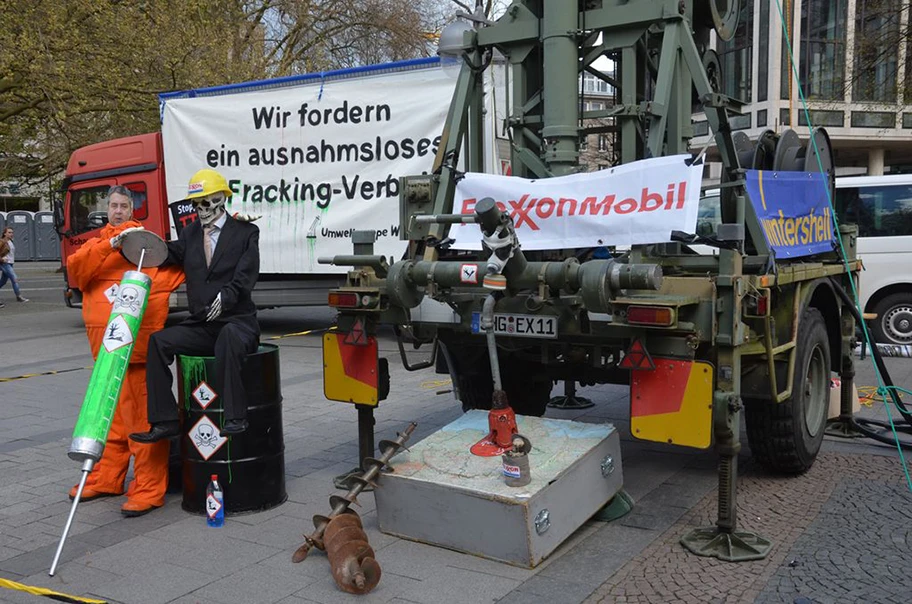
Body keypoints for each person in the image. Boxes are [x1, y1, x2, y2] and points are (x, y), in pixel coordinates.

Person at [67, 186, 185, 517]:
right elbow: (76, 272)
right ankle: (106, 477)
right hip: (106, 360)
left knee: (142, 424)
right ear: (107, 209)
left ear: (132, 211)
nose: (117, 211)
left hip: (138, 361)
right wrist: (110, 244)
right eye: (113, 205)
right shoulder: (95, 246)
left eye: (123, 206)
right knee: (110, 424)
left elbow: (190, 264)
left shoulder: (149, 250)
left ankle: (148, 488)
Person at [130, 168, 259, 444]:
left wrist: (226, 298)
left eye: (206, 202)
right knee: (158, 342)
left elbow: (247, 276)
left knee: (228, 337)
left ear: (221, 199)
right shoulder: (189, 235)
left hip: (237, 322)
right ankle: (164, 421)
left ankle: (235, 417)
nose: (200, 209)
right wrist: (126, 243)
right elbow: (163, 253)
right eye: (195, 203)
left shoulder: (246, 233)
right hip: (202, 325)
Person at [0, 226, 29, 305]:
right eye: (9, 232)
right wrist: (2, 259)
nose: (11, 234)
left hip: (10, 263)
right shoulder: (2, 241)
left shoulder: (11, 241)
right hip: (5, 263)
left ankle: (19, 297)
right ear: (4, 233)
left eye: (12, 232)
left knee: (3, 282)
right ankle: (19, 296)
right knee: (14, 279)